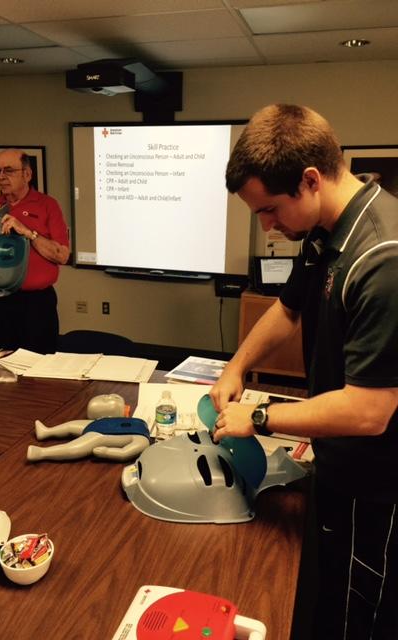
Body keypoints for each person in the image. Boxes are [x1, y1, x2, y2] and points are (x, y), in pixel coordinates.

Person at [210, 104, 398, 640]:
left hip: (377, 483)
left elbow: (369, 412)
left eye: (269, 209)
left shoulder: (382, 260)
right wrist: (237, 367)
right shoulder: (324, 230)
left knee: (360, 612)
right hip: (337, 461)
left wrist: (259, 417)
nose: (267, 225)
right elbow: (288, 309)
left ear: (311, 180)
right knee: (326, 592)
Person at [0, 148, 69, 354]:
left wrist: (27, 232)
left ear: (27, 174)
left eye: (9, 170)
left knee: (39, 365)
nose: (1, 177)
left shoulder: (47, 205)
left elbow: (62, 256)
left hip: (36, 304)